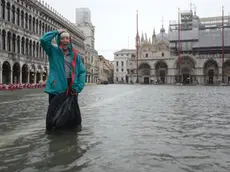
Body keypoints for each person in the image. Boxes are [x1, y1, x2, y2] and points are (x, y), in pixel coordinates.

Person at [40, 29, 86, 129]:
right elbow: (43, 40)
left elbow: (82, 72)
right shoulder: (53, 50)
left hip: (72, 87)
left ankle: (68, 134)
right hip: (56, 86)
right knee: (54, 111)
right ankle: (54, 132)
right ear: (59, 40)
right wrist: (56, 32)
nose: (65, 40)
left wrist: (78, 88)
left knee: (71, 111)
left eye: (67, 38)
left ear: (70, 40)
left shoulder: (75, 55)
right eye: (62, 38)